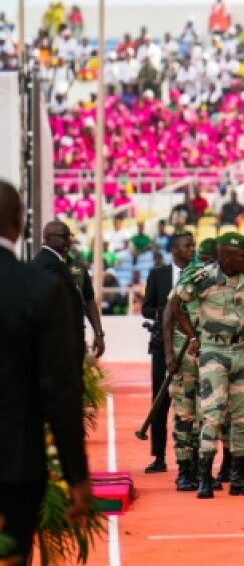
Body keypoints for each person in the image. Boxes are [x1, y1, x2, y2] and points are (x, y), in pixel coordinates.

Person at [0, 182, 91, 563]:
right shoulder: (39, 288)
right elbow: (59, 390)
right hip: (15, 463)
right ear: (20, 224)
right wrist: (78, 477)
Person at [170, 232, 244, 499]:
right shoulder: (202, 276)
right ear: (225, 256)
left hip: (243, 349)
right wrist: (191, 335)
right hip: (213, 350)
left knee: (243, 417)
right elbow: (176, 304)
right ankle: (204, 477)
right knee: (212, 414)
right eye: (242, 255)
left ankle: (238, 477)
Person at [139, 231, 195, 478]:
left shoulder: (199, 275)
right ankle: (159, 456)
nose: (191, 250)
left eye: (192, 246)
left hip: (192, 346)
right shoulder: (158, 274)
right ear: (174, 250)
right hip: (163, 346)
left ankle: (191, 455)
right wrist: (165, 314)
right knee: (161, 400)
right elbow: (146, 308)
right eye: (186, 246)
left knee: (191, 400)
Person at [163, 236, 215, 492]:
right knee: (184, 414)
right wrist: (169, 356)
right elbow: (168, 315)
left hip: (209, 352)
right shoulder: (188, 278)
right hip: (184, 353)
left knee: (206, 415)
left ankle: (200, 469)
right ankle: (184, 470)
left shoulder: (217, 278)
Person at [31, 220, 105, 364]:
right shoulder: (44, 264)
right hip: (58, 342)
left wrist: (98, 333)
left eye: (69, 236)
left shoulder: (78, 267)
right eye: (63, 236)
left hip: (71, 339)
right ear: (48, 238)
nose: (69, 240)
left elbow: (88, 299)